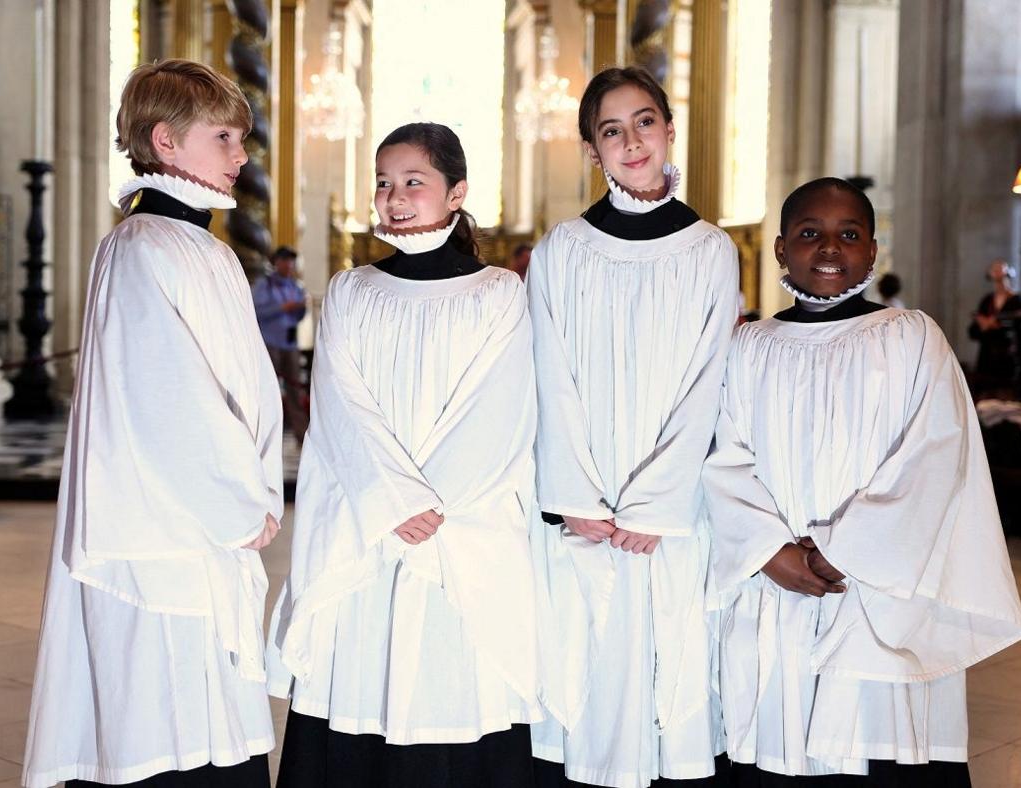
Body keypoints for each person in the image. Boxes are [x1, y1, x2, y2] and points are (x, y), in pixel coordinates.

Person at [704, 177, 1021, 786]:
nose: (829, 249)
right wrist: (766, 549)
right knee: (782, 732)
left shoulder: (911, 338)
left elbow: (936, 459)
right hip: (777, 587)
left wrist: (845, 549)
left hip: (876, 589)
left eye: (848, 235)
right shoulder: (749, 347)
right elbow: (724, 458)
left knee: (879, 739)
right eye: (809, 234)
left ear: (873, 251)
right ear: (780, 250)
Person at [22, 59, 284, 788]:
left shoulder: (209, 252)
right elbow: (170, 405)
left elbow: (247, 391)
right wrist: (243, 503)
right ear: (165, 142)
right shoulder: (141, 249)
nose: (241, 155)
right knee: (164, 726)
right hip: (163, 535)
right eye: (226, 137)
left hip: (206, 526)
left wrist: (258, 492)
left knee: (206, 721)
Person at [266, 122, 540, 787]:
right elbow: (339, 407)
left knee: (453, 680)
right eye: (384, 184)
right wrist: (393, 502)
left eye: (414, 182)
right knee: (365, 675)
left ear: (457, 192)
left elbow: (498, 414)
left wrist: (423, 508)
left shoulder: (499, 294)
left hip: (459, 533)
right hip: (370, 531)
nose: (394, 198)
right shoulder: (353, 290)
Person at [528, 66, 739, 787]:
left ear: (669, 128)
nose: (632, 141)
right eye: (611, 130)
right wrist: (577, 498)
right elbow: (549, 378)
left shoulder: (711, 250)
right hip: (586, 504)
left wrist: (658, 504)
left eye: (644, 121)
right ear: (592, 150)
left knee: (669, 668)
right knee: (593, 667)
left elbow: (707, 383)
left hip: (671, 511)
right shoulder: (562, 250)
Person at [252, 245, 309, 439]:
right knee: (268, 388)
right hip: (270, 342)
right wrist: (283, 307)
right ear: (276, 262)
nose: (289, 265)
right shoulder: (264, 284)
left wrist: (300, 309)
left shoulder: (295, 286)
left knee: (295, 389)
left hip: (289, 343)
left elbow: (299, 315)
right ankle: (263, 431)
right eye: (285, 260)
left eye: (291, 261)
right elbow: (256, 312)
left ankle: (302, 435)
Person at [968, 259, 1021, 395]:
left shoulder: (1016, 300)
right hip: (987, 360)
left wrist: (996, 326)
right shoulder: (987, 301)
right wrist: (984, 326)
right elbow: (973, 331)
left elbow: (1019, 330)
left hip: (1006, 359)